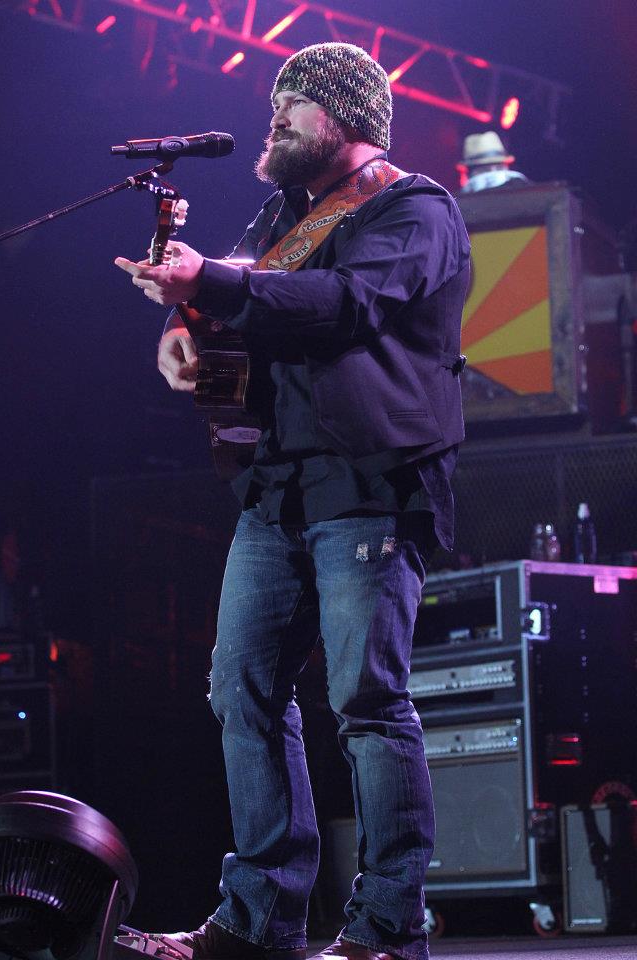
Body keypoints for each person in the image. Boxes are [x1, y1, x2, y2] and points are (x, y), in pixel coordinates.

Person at [115, 41, 470, 960]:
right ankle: (260, 924)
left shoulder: (416, 209)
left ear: (346, 118)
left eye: (294, 103)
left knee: (367, 701)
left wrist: (209, 282)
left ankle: (387, 931)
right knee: (241, 690)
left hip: (370, 482)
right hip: (277, 486)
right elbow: (233, 299)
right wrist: (181, 329)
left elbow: (342, 303)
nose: (273, 118)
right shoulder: (283, 214)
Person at [458, 130, 529, 193]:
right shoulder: (460, 201)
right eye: (485, 170)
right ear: (468, 174)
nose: (493, 173)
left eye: (499, 168)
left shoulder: (522, 189)